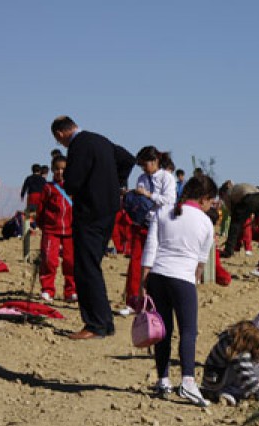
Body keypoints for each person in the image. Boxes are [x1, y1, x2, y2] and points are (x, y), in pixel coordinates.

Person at [51, 115, 136, 340]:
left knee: (85, 268)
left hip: (89, 213)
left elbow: (73, 182)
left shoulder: (78, 146)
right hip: (109, 211)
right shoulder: (101, 140)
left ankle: (95, 324)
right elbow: (128, 159)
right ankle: (105, 322)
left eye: (59, 141)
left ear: (60, 134)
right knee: (92, 266)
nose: (61, 145)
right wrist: (116, 183)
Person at [140, 175, 217, 406]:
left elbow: (151, 246)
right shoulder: (205, 222)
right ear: (203, 198)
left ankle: (163, 380)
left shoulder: (163, 212)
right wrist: (191, 281)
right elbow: (201, 263)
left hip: (158, 275)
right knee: (188, 331)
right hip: (182, 279)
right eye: (210, 201)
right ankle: (188, 382)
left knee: (162, 330)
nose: (210, 206)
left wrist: (144, 279)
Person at [121, 147, 177, 316]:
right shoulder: (141, 178)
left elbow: (169, 201)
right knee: (136, 263)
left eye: (145, 164)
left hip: (161, 226)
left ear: (155, 162)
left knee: (157, 265)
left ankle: (153, 301)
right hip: (142, 224)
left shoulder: (167, 178)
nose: (144, 168)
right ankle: (133, 301)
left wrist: (149, 195)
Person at [201, 320, 259, 407]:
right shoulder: (240, 349)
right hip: (215, 382)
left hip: (222, 378)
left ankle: (235, 391)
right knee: (253, 369)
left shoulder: (243, 340)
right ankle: (224, 392)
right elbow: (248, 378)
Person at [36, 155, 76, 303]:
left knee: (71, 262)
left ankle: (71, 291)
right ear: (52, 170)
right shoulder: (48, 188)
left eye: (63, 169)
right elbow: (40, 209)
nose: (60, 172)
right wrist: (44, 226)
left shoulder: (74, 187)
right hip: (51, 230)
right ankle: (47, 290)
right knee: (49, 260)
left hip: (71, 231)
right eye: (57, 169)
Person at [219, 182, 259, 258]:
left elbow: (231, 211)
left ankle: (228, 251)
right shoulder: (237, 187)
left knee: (234, 224)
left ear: (222, 192)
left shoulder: (227, 193)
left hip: (249, 198)